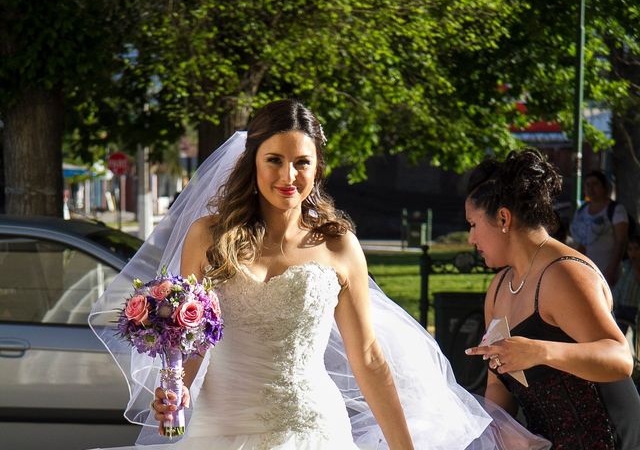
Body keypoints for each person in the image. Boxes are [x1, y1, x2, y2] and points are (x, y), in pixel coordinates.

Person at [90, 100, 551, 450]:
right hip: (221, 425)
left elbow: (368, 358)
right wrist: (177, 388)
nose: (288, 175)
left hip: (309, 427)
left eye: (301, 162)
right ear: (253, 161)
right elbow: (190, 341)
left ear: (317, 166)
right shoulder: (208, 237)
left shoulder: (338, 245)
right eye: (274, 159)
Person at [464, 148, 640, 449]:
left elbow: (620, 358)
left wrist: (542, 351)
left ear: (503, 218)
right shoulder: (499, 287)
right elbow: (498, 385)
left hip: (610, 440)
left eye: (473, 225)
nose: (471, 239)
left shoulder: (564, 275)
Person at [569, 170, 629, 286]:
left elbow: (621, 241)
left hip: (607, 274)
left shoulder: (616, 210)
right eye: (587, 185)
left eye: (595, 184)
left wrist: (612, 270)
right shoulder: (581, 210)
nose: (591, 188)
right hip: (583, 272)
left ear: (604, 187)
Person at [612, 233, 640, 334]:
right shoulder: (626, 264)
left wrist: (636, 265)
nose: (633, 252)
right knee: (619, 332)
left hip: (633, 307)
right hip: (621, 304)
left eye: (636, 249)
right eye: (630, 249)